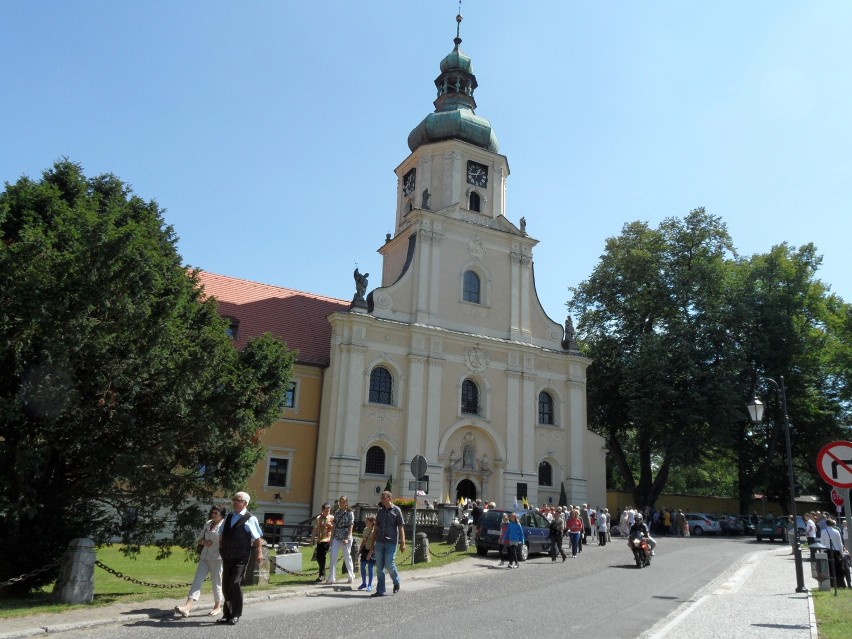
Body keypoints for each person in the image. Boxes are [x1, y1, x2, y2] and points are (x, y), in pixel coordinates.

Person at [218, 492, 264, 625]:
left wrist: (259, 553)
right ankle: (227, 614)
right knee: (226, 585)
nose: (235, 502)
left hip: (241, 557)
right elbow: (222, 533)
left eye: (238, 500)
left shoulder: (250, 518)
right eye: (234, 500)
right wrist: (221, 547)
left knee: (234, 583)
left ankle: (236, 613)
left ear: (245, 503)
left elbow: (257, 538)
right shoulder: (229, 516)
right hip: (227, 555)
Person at [174, 506, 225, 618]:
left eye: (216, 513)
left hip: (217, 558)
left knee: (216, 583)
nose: (213, 514)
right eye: (212, 512)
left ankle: (217, 606)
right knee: (197, 580)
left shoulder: (224, 525)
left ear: (221, 514)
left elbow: (226, 542)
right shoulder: (208, 523)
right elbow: (199, 539)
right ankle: (187, 607)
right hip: (204, 557)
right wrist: (204, 542)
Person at [369, 490, 406, 597]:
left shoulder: (396, 510)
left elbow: (401, 527)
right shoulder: (380, 512)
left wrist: (403, 542)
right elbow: (376, 529)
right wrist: (372, 544)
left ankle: (396, 581)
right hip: (380, 542)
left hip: (391, 542)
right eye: (381, 498)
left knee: (389, 564)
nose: (381, 500)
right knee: (379, 567)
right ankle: (380, 590)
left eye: (383, 498)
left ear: (390, 498)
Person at [327, 495, 355, 585]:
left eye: (343, 502)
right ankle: (331, 577)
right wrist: (331, 538)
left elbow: (351, 525)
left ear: (346, 503)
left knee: (347, 556)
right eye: (340, 502)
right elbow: (334, 525)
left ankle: (351, 575)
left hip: (346, 536)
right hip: (337, 536)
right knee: (333, 556)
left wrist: (348, 537)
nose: (342, 504)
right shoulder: (337, 512)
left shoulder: (350, 513)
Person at [311, 503, 334, 582]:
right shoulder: (318, 518)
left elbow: (334, 528)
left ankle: (322, 575)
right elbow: (315, 529)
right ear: (322, 510)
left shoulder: (331, 518)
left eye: (328, 511)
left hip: (327, 539)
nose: (327, 512)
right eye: (326, 511)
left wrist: (330, 525)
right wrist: (312, 539)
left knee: (323, 556)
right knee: (318, 557)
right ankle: (322, 572)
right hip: (320, 539)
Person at [820, 518, 846, 588]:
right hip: (836, 551)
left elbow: (822, 543)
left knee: (829, 569)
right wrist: (842, 553)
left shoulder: (823, 531)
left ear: (826, 524)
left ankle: (831, 584)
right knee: (838, 569)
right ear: (833, 524)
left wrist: (822, 552)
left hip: (827, 551)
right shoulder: (836, 531)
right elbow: (840, 543)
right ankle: (840, 584)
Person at [358, 514, 376, 591]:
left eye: (367, 521)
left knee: (370, 567)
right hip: (365, 550)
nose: (366, 522)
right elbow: (363, 541)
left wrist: (370, 553)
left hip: (372, 550)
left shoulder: (375, 531)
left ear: (372, 522)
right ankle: (364, 583)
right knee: (362, 566)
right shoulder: (365, 530)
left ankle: (370, 584)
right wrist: (360, 549)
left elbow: (374, 543)